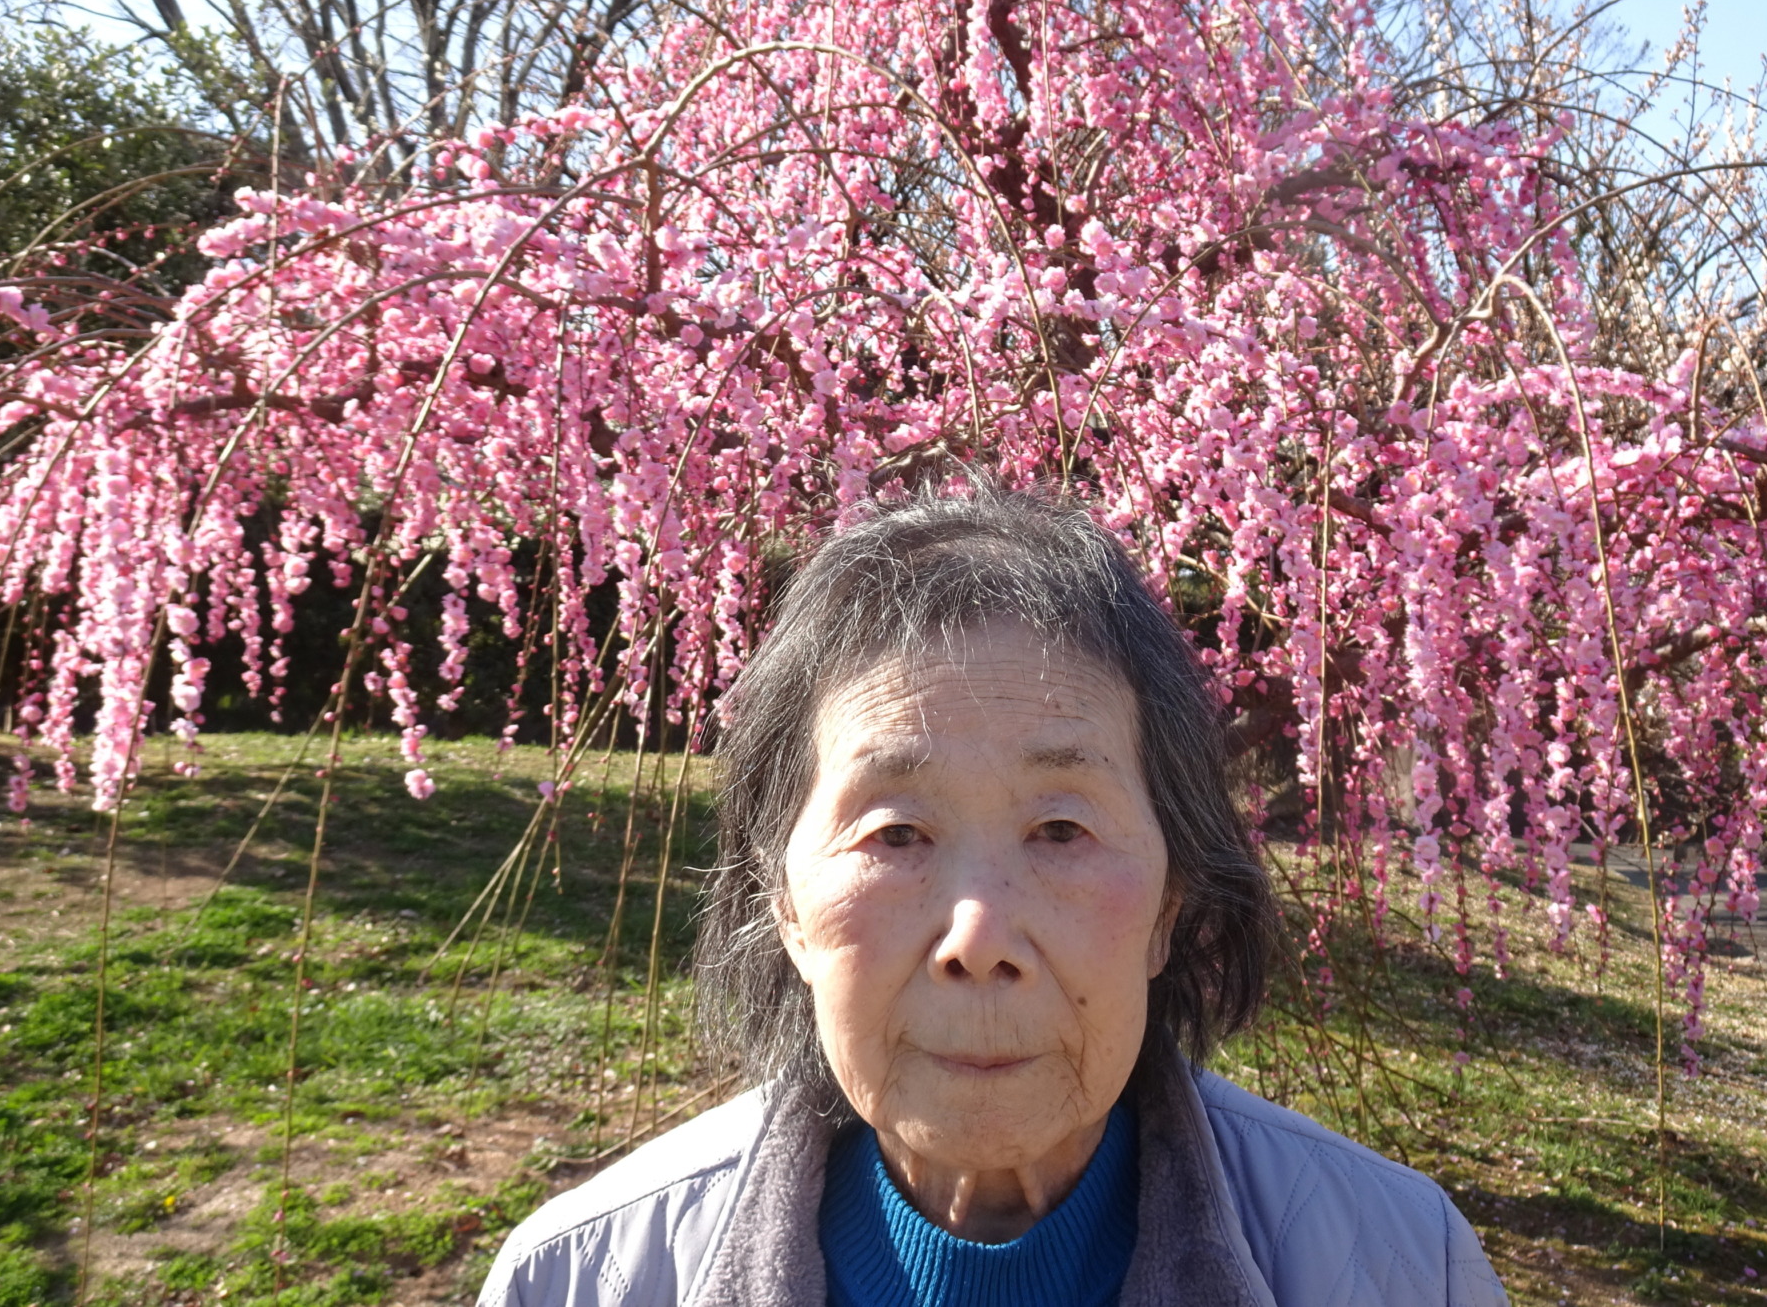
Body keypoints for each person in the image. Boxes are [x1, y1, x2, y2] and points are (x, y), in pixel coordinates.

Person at [478, 483, 1507, 1306]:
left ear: (1172, 904)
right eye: (894, 834)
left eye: (1060, 830)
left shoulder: (1401, 1266)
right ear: (780, 901)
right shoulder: (579, 1280)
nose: (977, 935)